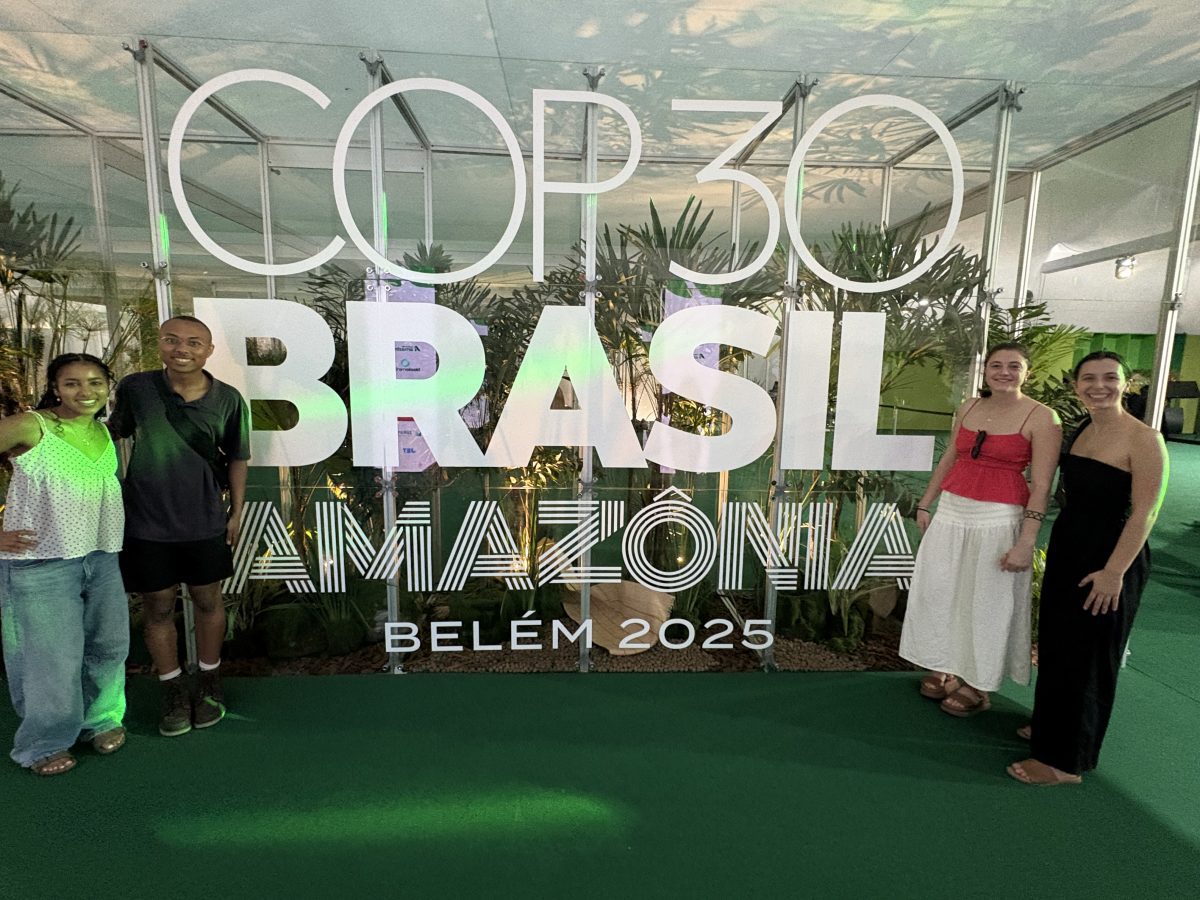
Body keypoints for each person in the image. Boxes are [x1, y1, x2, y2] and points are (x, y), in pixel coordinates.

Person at [1008, 351, 1168, 786]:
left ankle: (1066, 762)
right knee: (1059, 644)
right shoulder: (1083, 427)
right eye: (1089, 378)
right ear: (1076, 385)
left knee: (1090, 656)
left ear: (1126, 383)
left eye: (1110, 377)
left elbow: (1145, 513)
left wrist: (1114, 572)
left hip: (1112, 555)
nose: (1099, 386)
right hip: (1069, 547)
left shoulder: (1145, 439)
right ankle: (1050, 727)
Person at [899, 343, 1062, 716]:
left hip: (999, 517)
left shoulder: (1043, 417)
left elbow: (1042, 485)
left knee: (988, 600)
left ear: (1028, 372)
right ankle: (943, 664)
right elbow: (951, 456)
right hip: (952, 510)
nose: (1004, 372)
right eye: (996, 365)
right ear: (985, 370)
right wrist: (926, 501)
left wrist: (1026, 541)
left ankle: (978, 682)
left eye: (1014, 366)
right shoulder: (969, 406)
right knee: (943, 590)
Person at [109, 315, 249, 737]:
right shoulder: (136, 388)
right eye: (172, 340)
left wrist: (236, 512)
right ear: (160, 343)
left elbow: (237, 457)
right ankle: (171, 689)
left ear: (208, 350)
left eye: (193, 342)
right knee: (157, 606)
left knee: (208, 600)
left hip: (204, 520)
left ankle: (209, 681)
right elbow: (111, 435)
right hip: (146, 521)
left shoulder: (229, 399)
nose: (181, 349)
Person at [0, 354, 128, 775]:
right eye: (72, 383)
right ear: (55, 387)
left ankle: (100, 720)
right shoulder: (31, 426)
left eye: (95, 382)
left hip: (100, 555)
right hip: (42, 562)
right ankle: (44, 744)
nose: (85, 392)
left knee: (108, 646)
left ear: (108, 386)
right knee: (51, 659)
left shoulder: (102, 431)